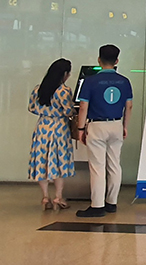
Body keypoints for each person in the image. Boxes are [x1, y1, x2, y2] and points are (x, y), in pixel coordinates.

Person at [75, 45, 133, 218]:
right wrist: (125, 126)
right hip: (116, 124)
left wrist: (80, 128)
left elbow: (83, 106)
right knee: (115, 164)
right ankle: (111, 202)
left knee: (97, 167)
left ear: (99, 60)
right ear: (116, 61)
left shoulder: (90, 81)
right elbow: (128, 106)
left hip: (97, 126)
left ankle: (97, 205)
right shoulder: (125, 81)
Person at [28, 58, 76, 211]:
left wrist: (45, 113)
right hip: (59, 129)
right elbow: (68, 110)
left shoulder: (38, 89)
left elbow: (31, 108)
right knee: (58, 161)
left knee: (42, 161)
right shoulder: (64, 90)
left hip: (42, 127)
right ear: (64, 74)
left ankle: (45, 197)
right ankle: (58, 196)